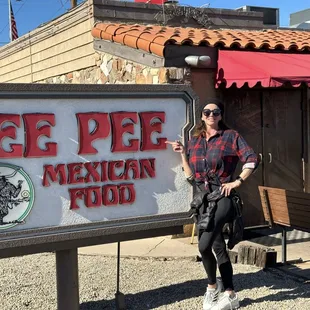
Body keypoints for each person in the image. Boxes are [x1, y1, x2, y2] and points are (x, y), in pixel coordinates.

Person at [166, 98, 259, 310]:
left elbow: (252, 159)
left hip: (224, 197)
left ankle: (210, 287)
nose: (211, 116)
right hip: (203, 200)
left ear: (220, 115)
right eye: (207, 112)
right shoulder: (194, 141)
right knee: (218, 246)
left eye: (216, 112)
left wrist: (238, 181)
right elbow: (191, 176)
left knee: (203, 245)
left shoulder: (230, 136)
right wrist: (182, 155)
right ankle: (230, 293)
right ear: (201, 115)